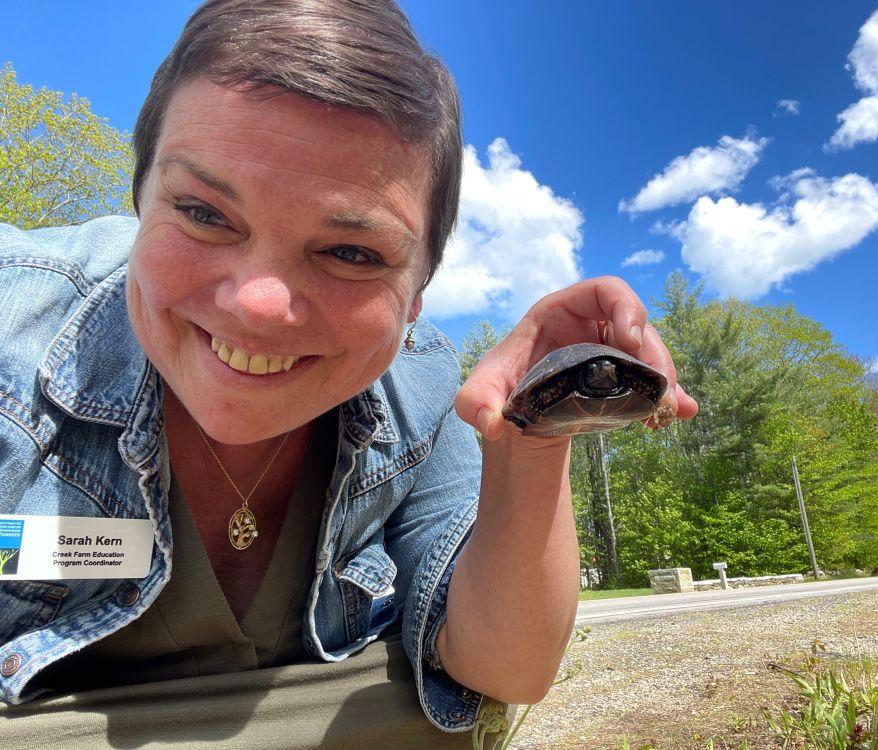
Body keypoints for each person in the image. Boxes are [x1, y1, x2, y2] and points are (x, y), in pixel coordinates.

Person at [0, 0, 698, 746]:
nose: (259, 306)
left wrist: (532, 427)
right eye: (204, 213)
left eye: (353, 254)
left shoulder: (421, 386)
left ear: (417, 295)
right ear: (139, 201)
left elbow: (505, 669)